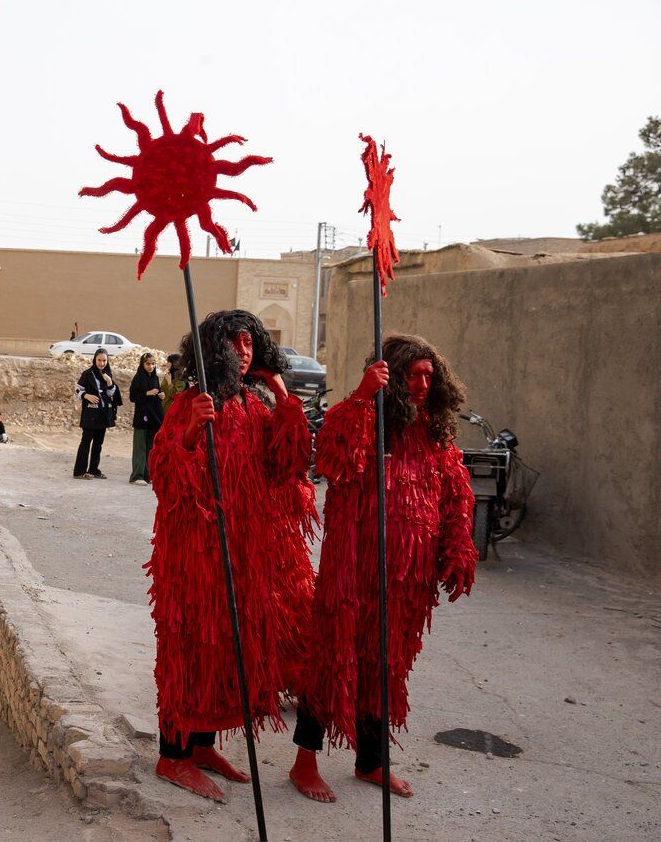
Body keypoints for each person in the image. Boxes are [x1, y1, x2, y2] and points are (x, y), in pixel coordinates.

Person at [290, 334, 477, 803]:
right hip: (354, 569)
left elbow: (456, 499)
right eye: (412, 375)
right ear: (392, 377)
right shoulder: (366, 419)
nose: (421, 384)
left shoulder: (435, 434)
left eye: (429, 377)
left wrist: (456, 551)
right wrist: (360, 398)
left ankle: (371, 762)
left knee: (386, 665)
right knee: (334, 659)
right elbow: (332, 459)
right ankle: (303, 763)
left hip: (408, 581)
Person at [146, 310, 316, 802]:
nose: (244, 350)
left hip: (241, 560)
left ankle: (201, 747)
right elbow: (165, 479)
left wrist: (283, 395)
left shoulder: (256, 407)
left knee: (223, 651)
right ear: (216, 351)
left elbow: (288, 465)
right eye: (234, 342)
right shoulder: (189, 404)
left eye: (250, 342)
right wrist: (192, 433)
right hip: (196, 559)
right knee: (193, 652)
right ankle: (171, 756)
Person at [73, 348, 122, 480]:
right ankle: (79, 471)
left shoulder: (107, 374)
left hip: (103, 414)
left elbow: (111, 394)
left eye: (104, 360)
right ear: (94, 359)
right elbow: (77, 390)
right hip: (90, 414)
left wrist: (110, 383)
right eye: (99, 360)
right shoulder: (87, 374)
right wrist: (86, 395)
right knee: (86, 442)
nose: (101, 363)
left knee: (98, 444)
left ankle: (94, 469)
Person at [128, 352, 164, 485]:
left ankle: (146, 475)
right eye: (148, 364)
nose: (151, 366)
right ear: (142, 364)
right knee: (140, 448)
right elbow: (132, 397)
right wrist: (147, 393)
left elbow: (157, 392)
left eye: (153, 364)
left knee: (150, 448)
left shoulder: (155, 378)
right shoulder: (138, 378)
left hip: (153, 417)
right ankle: (136, 476)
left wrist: (160, 395)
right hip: (142, 417)